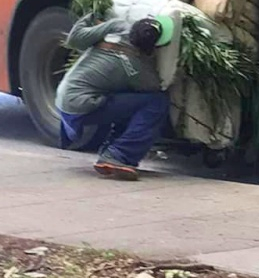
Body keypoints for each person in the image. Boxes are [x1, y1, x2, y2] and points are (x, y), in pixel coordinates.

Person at [56, 12, 175, 180]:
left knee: (130, 100)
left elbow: (75, 39)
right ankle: (119, 155)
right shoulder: (139, 71)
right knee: (156, 102)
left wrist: (90, 15)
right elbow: (156, 87)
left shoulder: (116, 26)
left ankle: (110, 152)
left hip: (64, 96)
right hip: (84, 105)